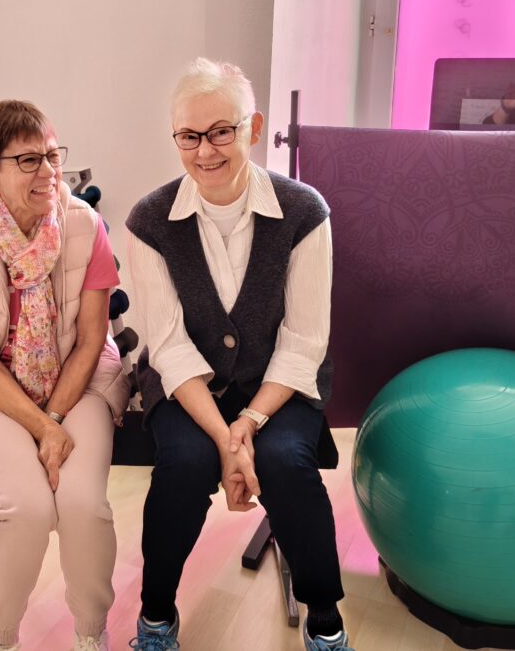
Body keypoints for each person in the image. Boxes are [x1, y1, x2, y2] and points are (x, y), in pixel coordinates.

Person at [126, 59, 354, 651]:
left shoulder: (304, 212)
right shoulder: (150, 221)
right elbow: (168, 345)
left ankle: (325, 621)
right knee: (182, 464)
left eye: (221, 131)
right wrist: (225, 438)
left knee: (287, 463)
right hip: (187, 389)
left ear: (252, 128)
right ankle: (156, 617)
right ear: (176, 138)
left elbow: (304, 340)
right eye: (189, 136)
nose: (205, 151)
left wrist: (249, 422)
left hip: (278, 385)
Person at [0, 100, 130, 651]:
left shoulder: (85, 227)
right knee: (26, 509)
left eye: (52, 156)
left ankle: (91, 636)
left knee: (84, 506)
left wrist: (54, 417)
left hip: (79, 380)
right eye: (27, 160)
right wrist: (42, 428)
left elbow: (92, 339)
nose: (47, 172)